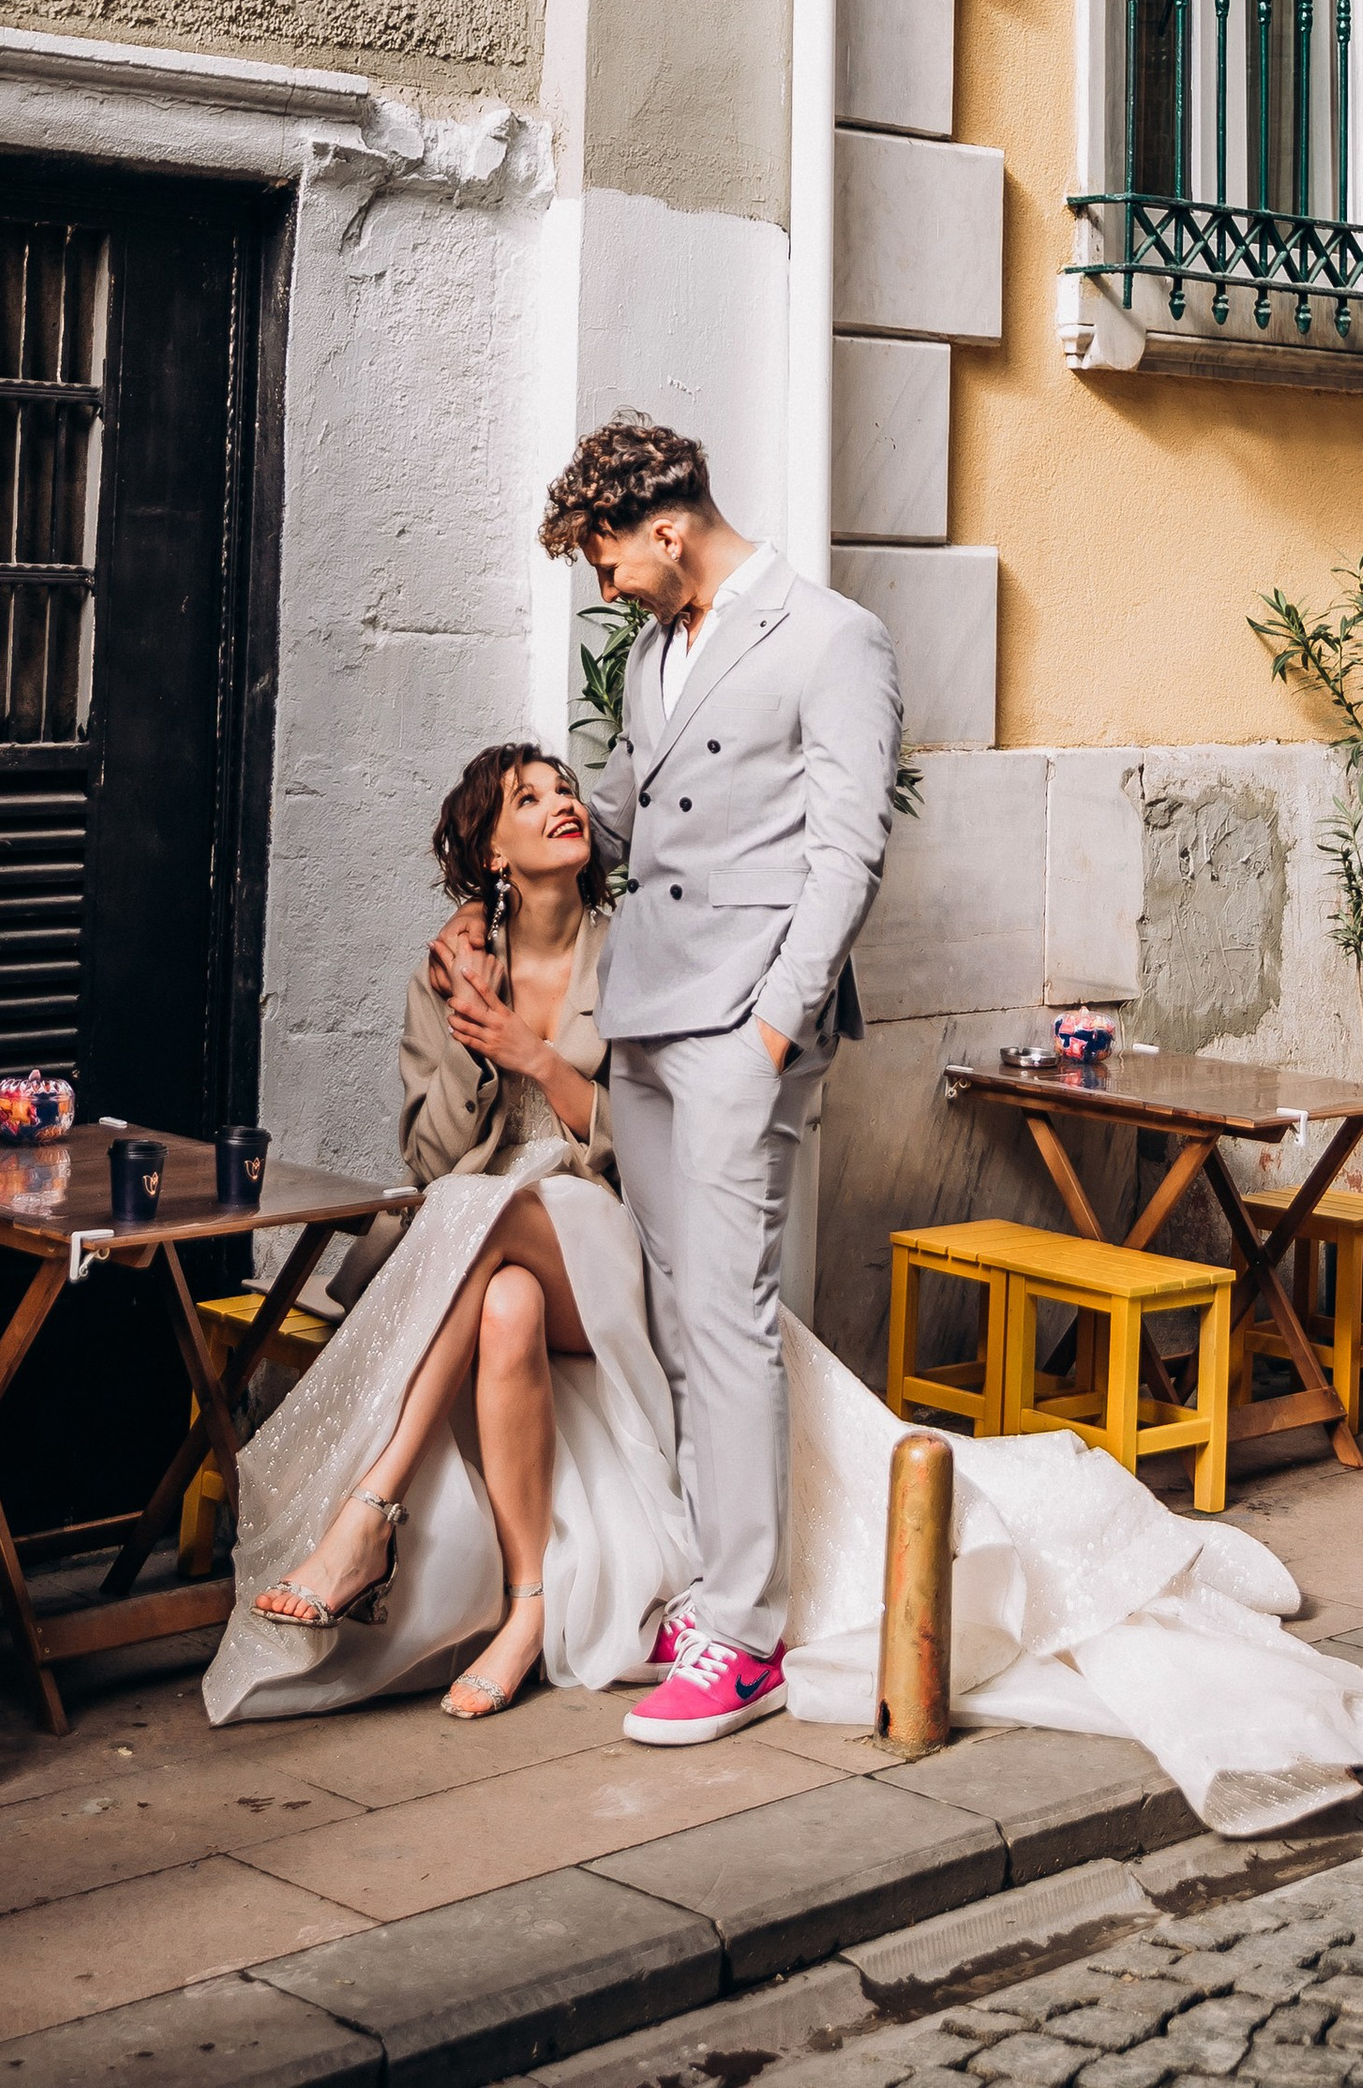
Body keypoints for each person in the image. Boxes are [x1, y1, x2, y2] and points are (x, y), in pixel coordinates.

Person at [432, 418, 902, 1747]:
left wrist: (773, 1032)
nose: (605, 585)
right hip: (644, 1018)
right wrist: (482, 890)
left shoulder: (833, 639)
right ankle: (707, 1585)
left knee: (730, 1319)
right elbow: (621, 818)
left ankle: (745, 1641)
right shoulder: (652, 652)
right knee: (677, 1316)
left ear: (669, 529)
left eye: (607, 559)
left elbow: (848, 853)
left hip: (743, 1027)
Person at [202, 745, 689, 1729]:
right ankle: (526, 1609)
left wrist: (534, 1055)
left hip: (603, 1232)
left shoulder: (633, 952)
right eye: (527, 798)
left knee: (485, 1212)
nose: (561, 804)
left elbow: (656, 1141)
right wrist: (477, 1039)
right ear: (493, 853)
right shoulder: (451, 969)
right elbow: (431, 1161)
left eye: (564, 790)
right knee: (504, 1301)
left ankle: (368, 1513)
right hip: (490, 1240)